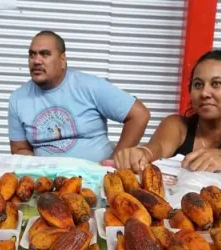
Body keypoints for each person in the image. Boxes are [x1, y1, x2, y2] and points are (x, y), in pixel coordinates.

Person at [114, 50, 221, 172]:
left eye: (217, 83)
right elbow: (158, 147)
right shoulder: (177, 125)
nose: (205, 93)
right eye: (198, 84)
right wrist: (142, 153)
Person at [8, 31, 150, 163]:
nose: (36, 61)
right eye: (32, 54)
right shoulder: (18, 99)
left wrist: (114, 162)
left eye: (45, 54)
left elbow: (139, 115)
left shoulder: (89, 86)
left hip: (95, 180)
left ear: (63, 59)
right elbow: (20, 149)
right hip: (47, 183)